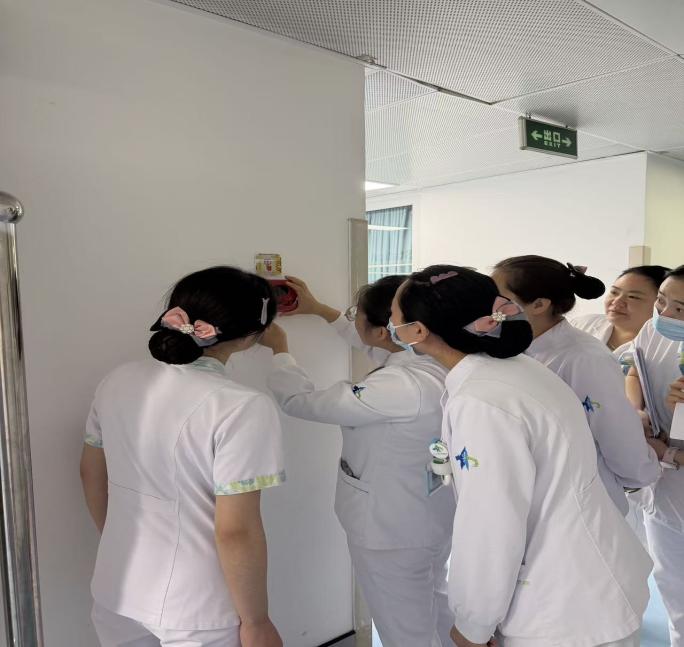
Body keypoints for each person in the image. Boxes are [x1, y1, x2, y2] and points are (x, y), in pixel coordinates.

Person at [391, 264, 651, 647]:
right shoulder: (516, 368)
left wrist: (473, 624)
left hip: (560, 607)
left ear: (417, 331)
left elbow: (492, 522)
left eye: (394, 316)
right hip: (586, 585)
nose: (390, 324)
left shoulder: (482, 401)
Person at [79, 266, 285, 647]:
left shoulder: (117, 380)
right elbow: (236, 530)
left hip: (117, 587)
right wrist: (257, 622)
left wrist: (118, 542)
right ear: (250, 336)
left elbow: (91, 474)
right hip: (199, 608)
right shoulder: (242, 407)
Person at [259, 275, 455, 647]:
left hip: (391, 531)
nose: (354, 321)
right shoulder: (434, 361)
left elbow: (300, 401)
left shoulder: (399, 386)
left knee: (405, 631)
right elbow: (377, 345)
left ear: (387, 331)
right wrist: (320, 310)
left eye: (357, 314)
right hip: (430, 514)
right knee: (434, 602)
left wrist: (280, 349)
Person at [492, 255, 660, 515]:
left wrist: (638, 473)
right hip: (529, 488)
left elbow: (616, 431)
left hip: (578, 498)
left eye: (497, 296)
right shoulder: (514, 346)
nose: (487, 303)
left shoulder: (584, 357)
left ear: (539, 304)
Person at [625, 264, 684, 647]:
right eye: (662, 301)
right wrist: (638, 411)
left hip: (672, 461)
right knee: (673, 584)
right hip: (666, 483)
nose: (666, 314)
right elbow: (635, 371)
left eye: (680, 309)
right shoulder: (653, 329)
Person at [572, 265, 670, 357]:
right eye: (614, 292)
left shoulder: (668, 350)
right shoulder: (580, 325)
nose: (616, 301)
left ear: (663, 305)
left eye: (633, 297)